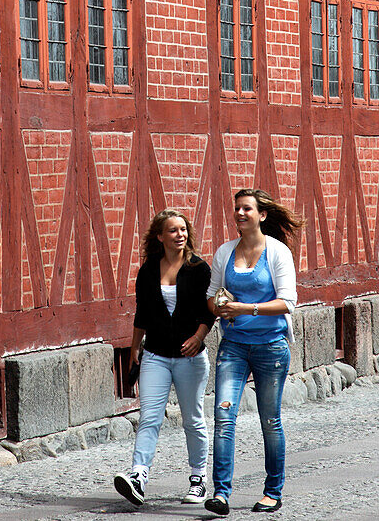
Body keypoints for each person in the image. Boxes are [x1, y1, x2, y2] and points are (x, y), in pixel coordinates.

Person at [204, 188, 303, 516]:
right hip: (232, 347)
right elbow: (211, 295)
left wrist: (244, 308)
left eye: (247, 209)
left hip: (271, 349)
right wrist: (219, 308)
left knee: (270, 420)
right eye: (237, 209)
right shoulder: (224, 253)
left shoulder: (277, 253)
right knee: (223, 416)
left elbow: (288, 302)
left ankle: (273, 492)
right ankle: (221, 493)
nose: (240, 214)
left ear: (262, 215)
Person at [113, 208, 215, 508]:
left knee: (193, 419)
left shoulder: (199, 269)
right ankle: (138, 477)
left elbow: (209, 310)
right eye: (173, 230)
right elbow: (142, 312)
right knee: (149, 418)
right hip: (155, 355)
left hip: (190, 357)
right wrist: (134, 348)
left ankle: (198, 479)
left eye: (183, 229)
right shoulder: (148, 270)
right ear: (160, 236)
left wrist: (199, 337)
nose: (180, 234)